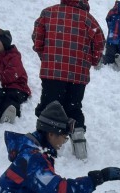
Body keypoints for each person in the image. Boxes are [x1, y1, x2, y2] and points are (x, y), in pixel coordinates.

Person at [32, 0, 105, 160]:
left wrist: (45, 55)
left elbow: (38, 40)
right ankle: (78, 136)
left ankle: (45, 143)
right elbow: (100, 43)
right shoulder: (89, 20)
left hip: (52, 71)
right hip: (78, 75)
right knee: (73, 107)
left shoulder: (48, 13)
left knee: (50, 106)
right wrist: (91, 60)